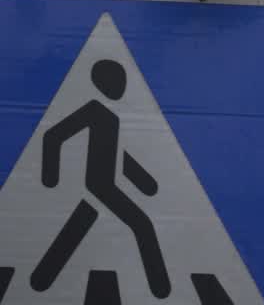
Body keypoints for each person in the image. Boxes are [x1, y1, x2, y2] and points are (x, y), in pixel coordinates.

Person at [30, 58, 170, 299]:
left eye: (123, 81)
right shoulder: (93, 110)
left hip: (102, 187)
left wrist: (145, 182)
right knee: (142, 225)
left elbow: (117, 155)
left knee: (74, 230)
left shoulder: (113, 116)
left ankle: (39, 280)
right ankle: (162, 289)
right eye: (117, 81)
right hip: (99, 186)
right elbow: (53, 136)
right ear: (102, 84)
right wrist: (49, 177)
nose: (121, 87)